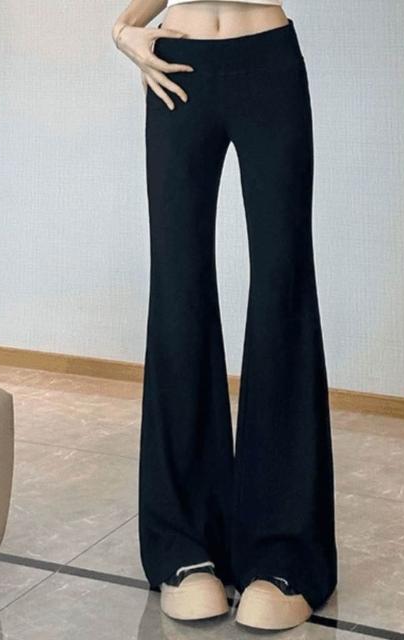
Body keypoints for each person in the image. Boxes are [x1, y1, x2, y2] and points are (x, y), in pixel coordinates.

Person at [112, 0, 338, 631]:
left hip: (267, 61)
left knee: (281, 291)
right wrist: (123, 30)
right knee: (177, 292)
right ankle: (182, 542)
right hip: (178, 66)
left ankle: (284, 551)